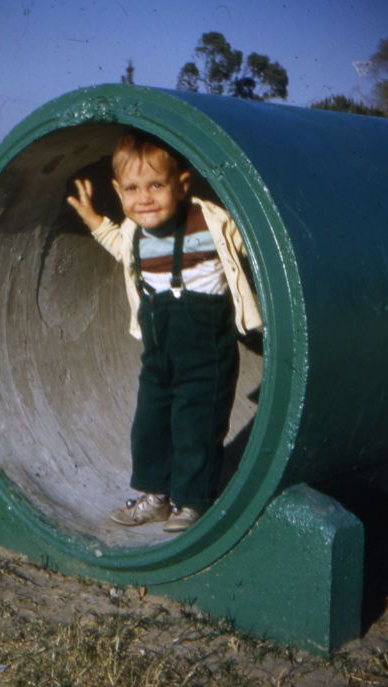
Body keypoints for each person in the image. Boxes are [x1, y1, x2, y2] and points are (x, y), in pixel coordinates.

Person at [67, 129, 261, 532]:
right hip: (158, 354)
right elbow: (121, 250)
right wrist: (94, 221)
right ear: (119, 192)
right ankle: (155, 496)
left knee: (197, 428)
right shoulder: (134, 231)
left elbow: (253, 245)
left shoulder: (210, 221)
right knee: (150, 426)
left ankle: (192, 501)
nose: (144, 198)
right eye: (132, 189)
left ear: (182, 184)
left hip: (206, 353)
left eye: (156, 185)